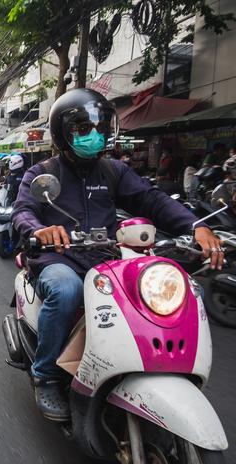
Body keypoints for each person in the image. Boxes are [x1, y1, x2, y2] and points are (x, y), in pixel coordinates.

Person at [12, 88, 223, 421]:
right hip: (57, 258)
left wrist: (195, 226)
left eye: (99, 128)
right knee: (66, 290)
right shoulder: (41, 174)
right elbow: (23, 211)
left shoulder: (113, 171)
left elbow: (153, 200)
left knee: (148, 291)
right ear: (63, 133)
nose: (93, 136)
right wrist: (39, 231)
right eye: (83, 129)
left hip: (106, 259)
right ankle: (47, 374)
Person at [0, 154, 24, 251]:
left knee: (22, 222)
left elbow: (26, 190)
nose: (9, 164)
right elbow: (5, 188)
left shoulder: (24, 175)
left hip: (19, 202)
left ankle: (23, 245)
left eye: (11, 162)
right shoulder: (9, 175)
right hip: (7, 202)